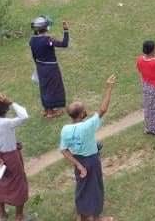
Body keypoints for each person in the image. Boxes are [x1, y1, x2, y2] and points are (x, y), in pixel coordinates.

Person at [60, 75, 117, 221]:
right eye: (84, 109)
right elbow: (103, 109)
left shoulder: (65, 129)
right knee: (96, 189)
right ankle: (97, 218)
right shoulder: (87, 126)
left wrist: (78, 165)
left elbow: (64, 150)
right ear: (81, 114)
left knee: (82, 189)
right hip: (91, 161)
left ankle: (83, 217)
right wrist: (109, 87)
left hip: (79, 162)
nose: (86, 110)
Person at [0, 95, 29, 221]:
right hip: (11, 158)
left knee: (2, 183)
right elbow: (24, 116)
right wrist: (12, 102)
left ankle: (2, 215)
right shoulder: (7, 123)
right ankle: (19, 216)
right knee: (19, 183)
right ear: (6, 110)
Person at [29, 16, 69, 118]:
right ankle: (51, 113)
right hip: (51, 68)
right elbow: (64, 44)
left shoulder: (32, 40)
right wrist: (66, 30)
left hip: (40, 67)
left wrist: (38, 66)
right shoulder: (48, 40)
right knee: (53, 87)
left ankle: (47, 110)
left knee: (44, 88)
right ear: (45, 28)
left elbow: (34, 56)